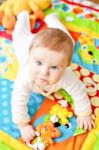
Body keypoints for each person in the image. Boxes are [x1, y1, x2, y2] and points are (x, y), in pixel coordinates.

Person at [11, 11, 95, 143]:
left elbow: (79, 91)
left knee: (68, 42)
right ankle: (23, 16)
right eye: (38, 63)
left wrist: (84, 113)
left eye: (54, 67)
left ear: (67, 66)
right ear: (32, 57)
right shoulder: (25, 76)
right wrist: (23, 125)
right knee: (18, 38)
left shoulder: (66, 75)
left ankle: (52, 19)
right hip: (27, 45)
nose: (44, 72)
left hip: (48, 51)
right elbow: (18, 101)